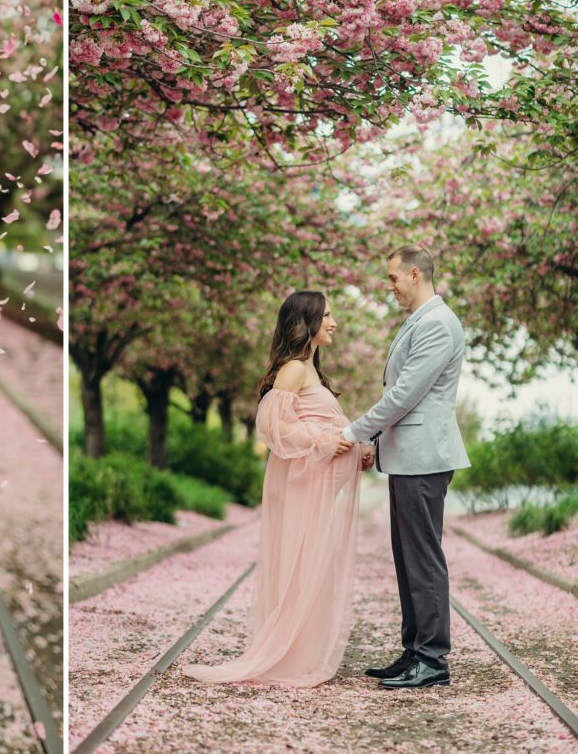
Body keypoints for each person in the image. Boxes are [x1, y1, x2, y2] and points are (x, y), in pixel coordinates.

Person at [182, 291, 372, 687]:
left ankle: (299, 653)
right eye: (327, 315)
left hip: (319, 486)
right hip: (305, 486)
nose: (334, 322)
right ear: (307, 321)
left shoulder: (312, 369)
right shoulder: (293, 370)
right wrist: (324, 441)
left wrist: (357, 449)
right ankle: (285, 655)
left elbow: (316, 422)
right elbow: (272, 426)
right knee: (301, 566)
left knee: (313, 568)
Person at [343, 245, 469, 690]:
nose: (389, 286)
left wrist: (356, 431)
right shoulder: (422, 320)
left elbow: (404, 395)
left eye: (393, 278)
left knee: (422, 557)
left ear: (415, 274)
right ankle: (415, 651)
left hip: (424, 458)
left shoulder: (437, 323)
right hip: (410, 456)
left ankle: (432, 659)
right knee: (408, 556)